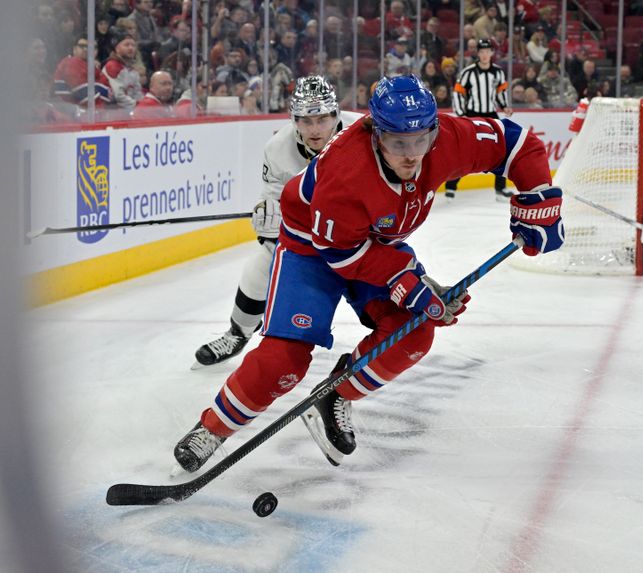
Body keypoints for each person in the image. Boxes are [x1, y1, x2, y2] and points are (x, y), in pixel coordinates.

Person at [174, 74, 563, 472]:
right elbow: (340, 253)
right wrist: (405, 279)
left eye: (420, 141)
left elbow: (518, 143)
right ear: (376, 134)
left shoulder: (445, 137)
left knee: (414, 332)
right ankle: (213, 428)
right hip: (314, 246)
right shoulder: (346, 170)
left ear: (433, 130)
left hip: (376, 244)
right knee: (284, 360)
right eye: (398, 144)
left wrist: (538, 200)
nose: (412, 155)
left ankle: (336, 395)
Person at [193, 76, 362, 367]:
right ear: (294, 120)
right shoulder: (278, 148)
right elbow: (273, 198)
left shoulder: (364, 134)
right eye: (306, 121)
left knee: (377, 301)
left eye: (322, 119)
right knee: (263, 261)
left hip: (358, 237)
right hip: (308, 234)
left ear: (336, 115)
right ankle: (239, 332)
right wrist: (266, 214)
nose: (315, 129)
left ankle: (385, 346)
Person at [446, 39, 513, 202]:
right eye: (481, 52)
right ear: (478, 53)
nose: (484, 55)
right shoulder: (468, 72)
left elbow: (501, 92)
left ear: (492, 53)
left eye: (487, 51)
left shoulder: (498, 72)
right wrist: (462, 114)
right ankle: (451, 186)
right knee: (466, 151)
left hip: (491, 114)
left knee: (501, 150)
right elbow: (458, 93)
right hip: (472, 115)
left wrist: (504, 106)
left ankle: (500, 188)